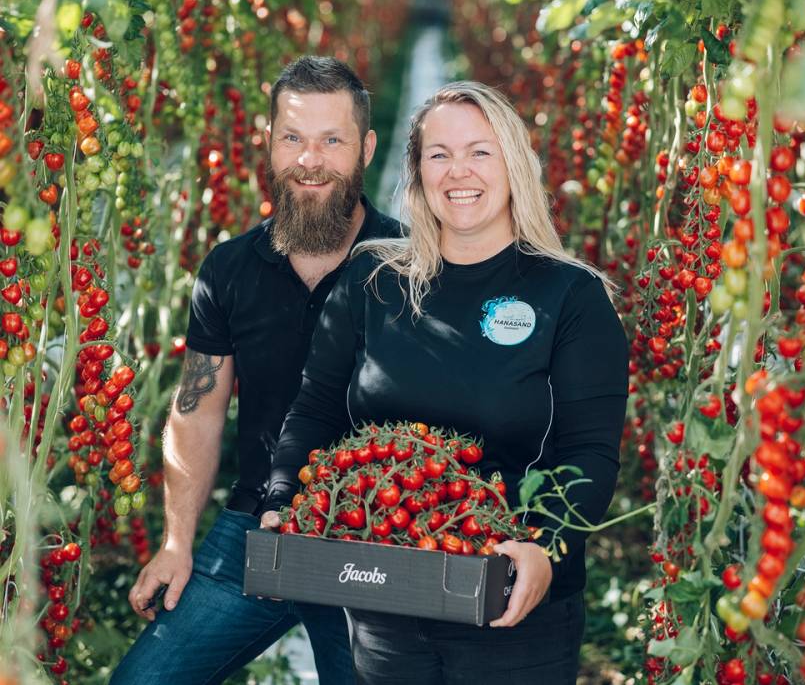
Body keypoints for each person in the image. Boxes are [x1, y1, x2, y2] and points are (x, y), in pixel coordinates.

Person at [259, 81, 628, 684]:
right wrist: (281, 502)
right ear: (417, 172)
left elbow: (591, 453)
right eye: (439, 154)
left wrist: (546, 547)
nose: (459, 171)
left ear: (514, 163)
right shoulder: (372, 283)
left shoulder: (571, 297)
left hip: (512, 606)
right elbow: (315, 410)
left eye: (480, 151)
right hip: (386, 601)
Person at [110, 56, 401, 685]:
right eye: (293, 137)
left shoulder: (409, 268)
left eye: (332, 140)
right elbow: (196, 412)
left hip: (373, 535)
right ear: (268, 141)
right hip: (254, 527)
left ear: (367, 147)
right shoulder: (229, 270)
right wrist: (177, 543)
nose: (310, 160)